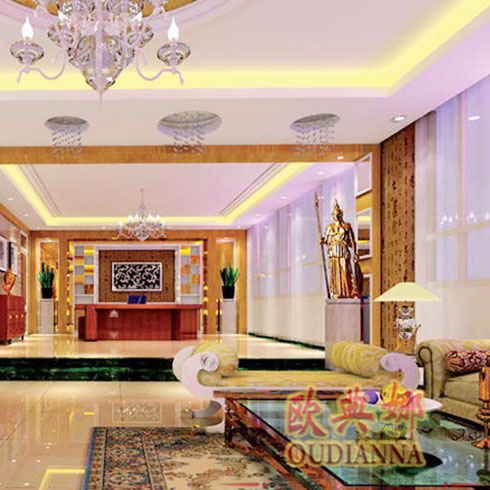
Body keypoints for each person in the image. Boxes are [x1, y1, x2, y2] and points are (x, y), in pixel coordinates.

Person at [320, 200, 362, 299]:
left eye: (338, 214)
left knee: (345, 272)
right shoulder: (330, 227)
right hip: (334, 252)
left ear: (341, 214)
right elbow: (326, 240)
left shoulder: (346, 226)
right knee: (335, 273)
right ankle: (336, 292)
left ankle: (348, 292)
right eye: (334, 214)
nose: (336, 216)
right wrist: (322, 241)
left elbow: (352, 241)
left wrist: (355, 253)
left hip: (343, 251)